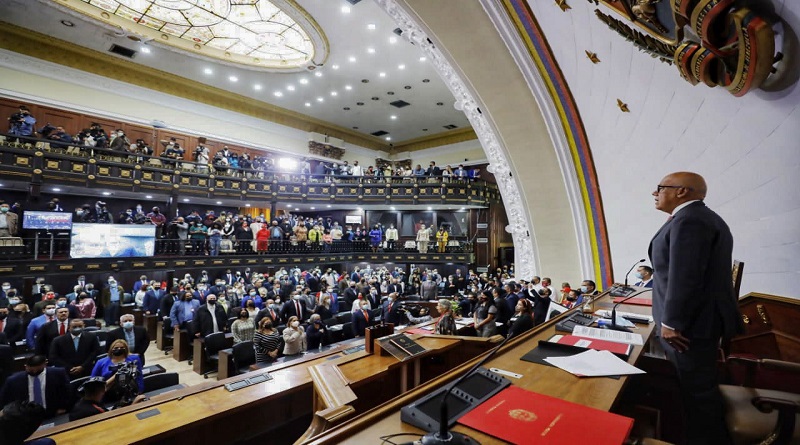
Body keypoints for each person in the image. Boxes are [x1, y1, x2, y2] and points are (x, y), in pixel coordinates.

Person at [649, 171, 742, 445]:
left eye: (660, 188)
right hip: (696, 321)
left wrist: (671, 323)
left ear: (681, 191)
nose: (655, 193)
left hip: (689, 328)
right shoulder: (694, 218)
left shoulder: (690, 220)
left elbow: (685, 276)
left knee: (698, 394)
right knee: (694, 389)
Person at [0, 355, 70, 419]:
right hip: (25, 417)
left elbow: (67, 392)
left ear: (45, 364)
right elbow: (5, 399)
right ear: (26, 366)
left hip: (53, 414)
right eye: (31, 370)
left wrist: (63, 407)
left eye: (38, 370)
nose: (34, 372)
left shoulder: (58, 373)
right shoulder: (13, 380)